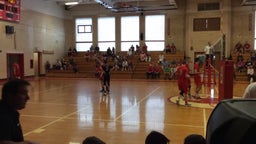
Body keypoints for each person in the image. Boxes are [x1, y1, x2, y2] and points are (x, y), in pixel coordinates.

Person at [0, 79, 38, 144]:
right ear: (10, 95)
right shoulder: (3, 116)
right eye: (23, 93)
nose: (28, 97)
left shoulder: (12, 112)